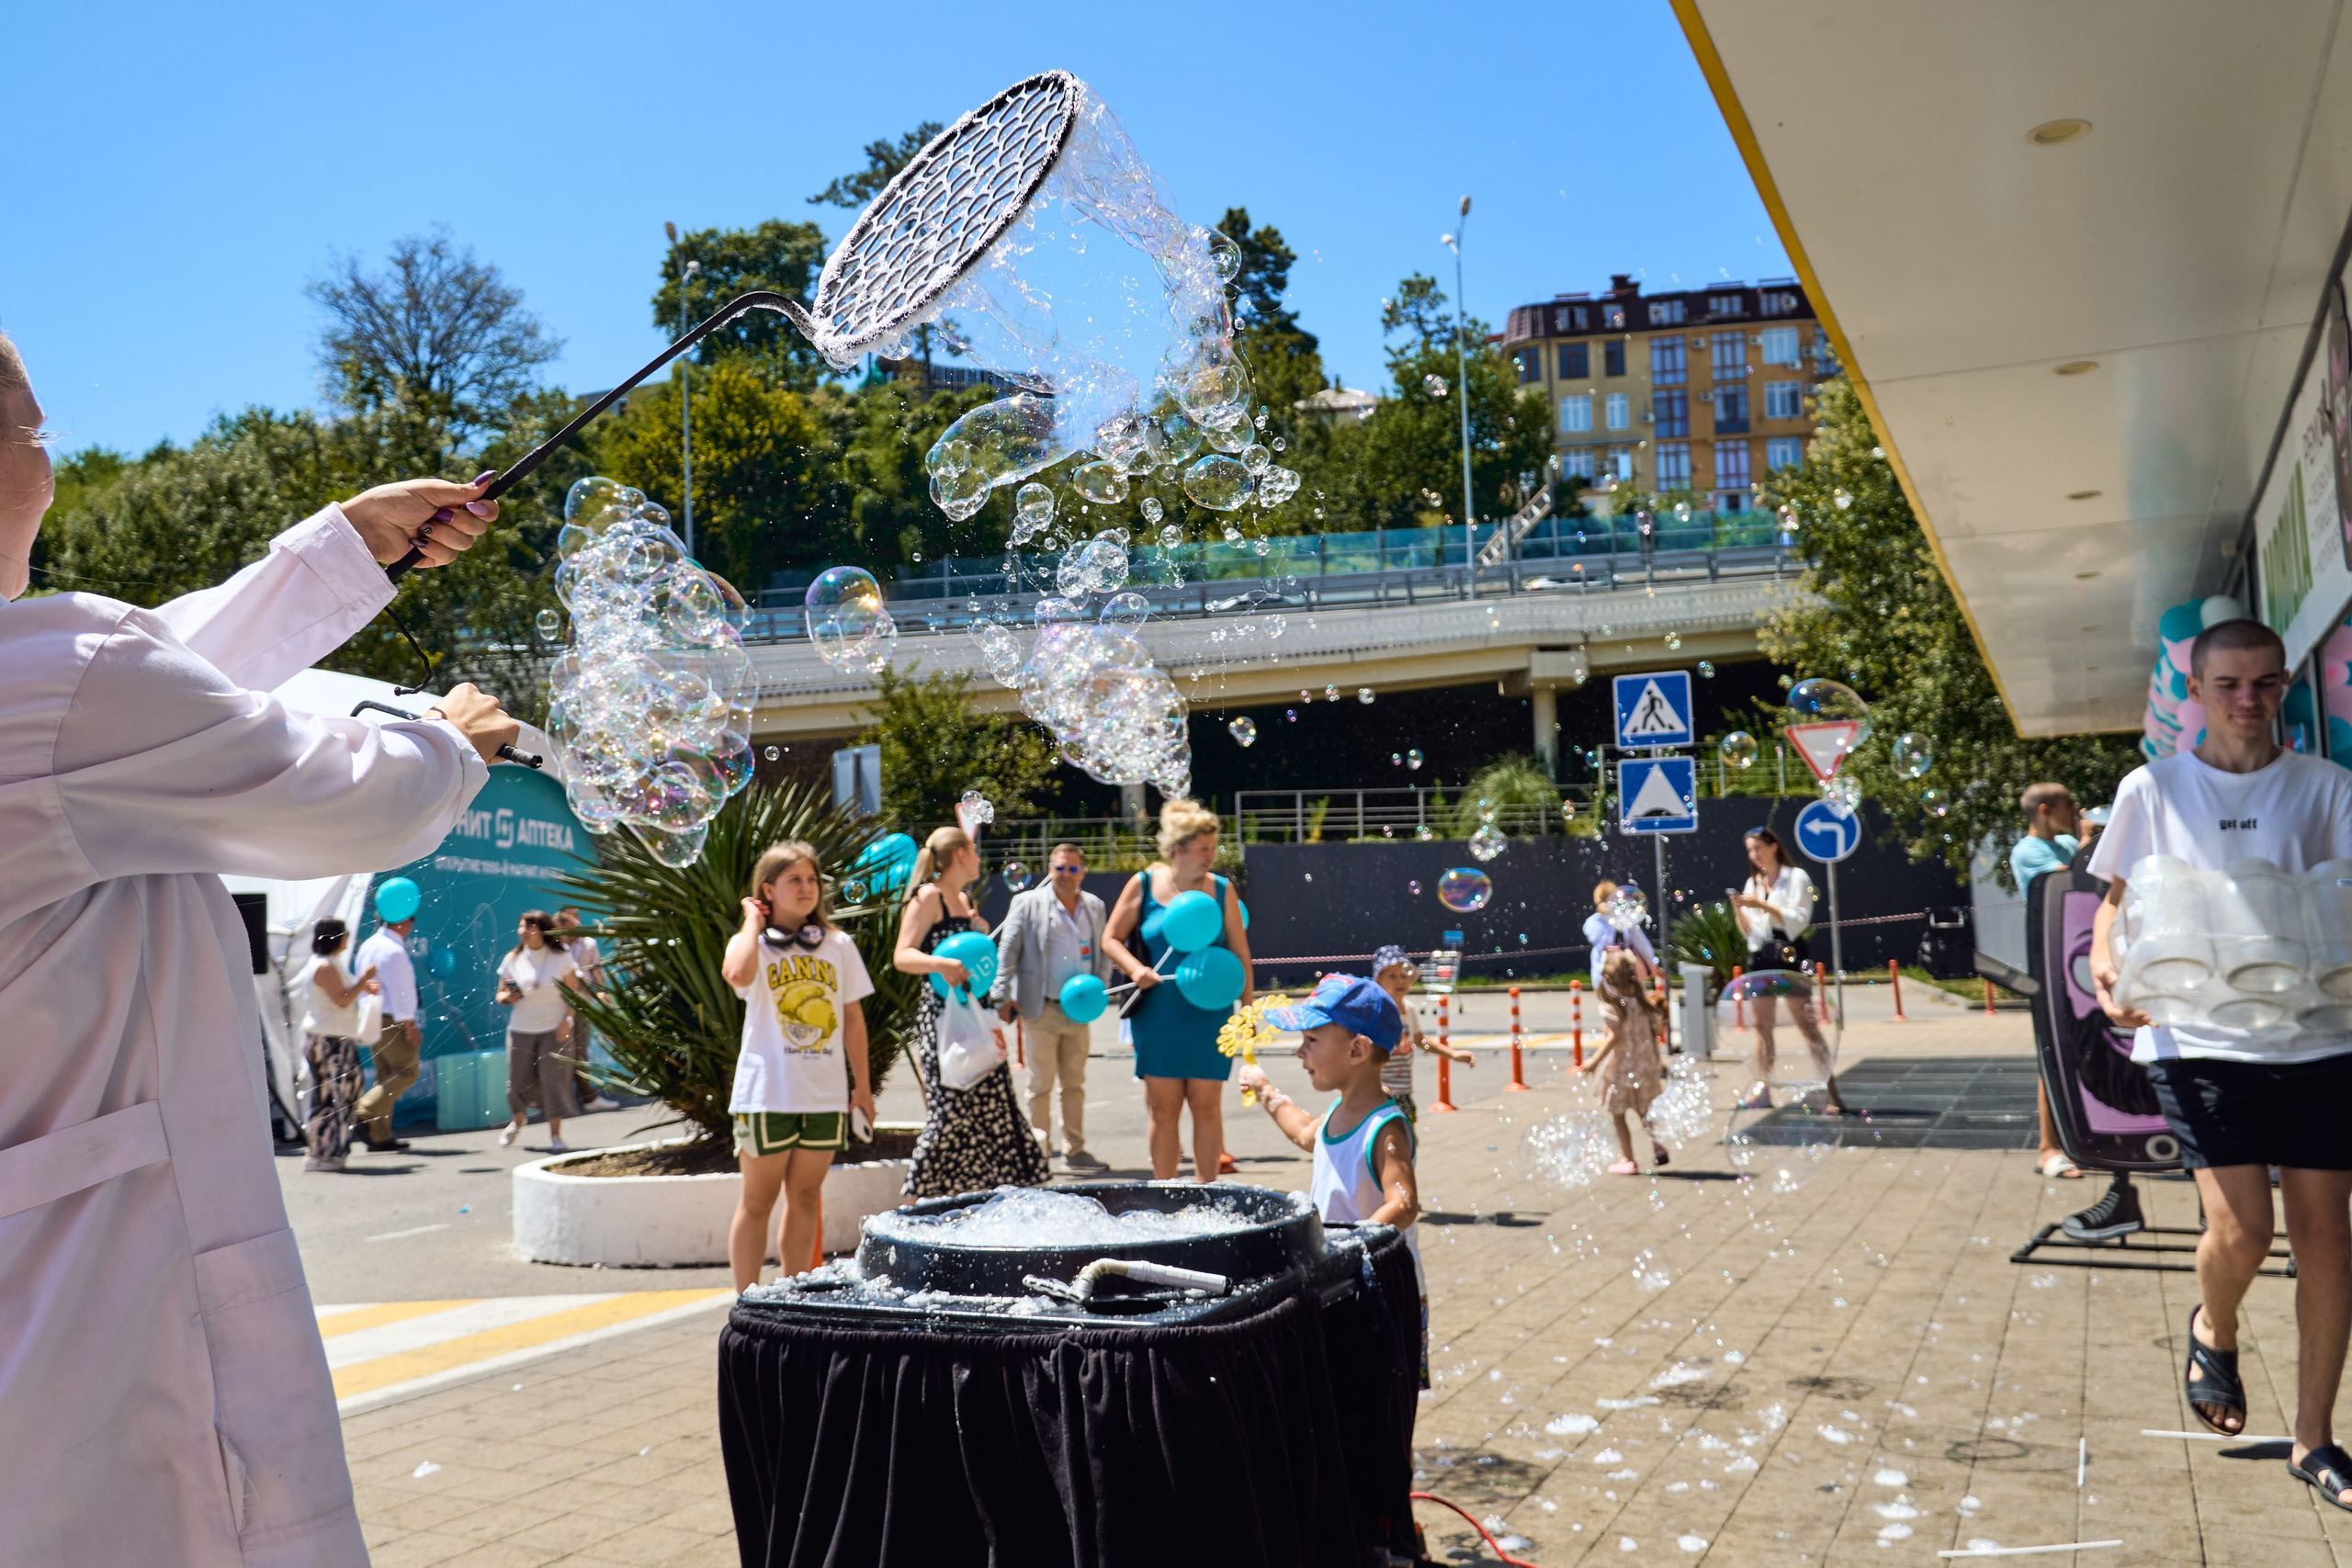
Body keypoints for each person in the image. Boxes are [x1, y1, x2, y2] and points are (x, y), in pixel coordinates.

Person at [0, 327, 513, 1566]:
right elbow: (353, 796)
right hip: (113, 1315)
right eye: (27, 415)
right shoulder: (64, 689)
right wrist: (445, 736)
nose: (49, 442)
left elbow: (143, 697)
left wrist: (338, 550)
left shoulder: (54, 691)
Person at [2089, 618, 2352, 1506]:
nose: (2250, 700)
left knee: (2328, 1239)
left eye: (2267, 683)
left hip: (2321, 1037)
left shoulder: (2328, 790)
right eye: (2230, 685)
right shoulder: (2151, 788)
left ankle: (2314, 1438)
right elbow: (2115, 904)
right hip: (2197, 1036)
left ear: (2286, 686)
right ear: (2195, 692)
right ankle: (2217, 1321)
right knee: (2244, 1230)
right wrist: (2105, 963)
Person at [1235, 974, 1424, 1387]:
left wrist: (1348, 1245)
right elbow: (1306, 1134)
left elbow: (1404, 1202)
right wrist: (1267, 1091)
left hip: (1378, 1287)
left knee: (1382, 1401)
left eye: (1311, 1041)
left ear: (1357, 1050)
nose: (1300, 1051)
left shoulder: (1385, 1126)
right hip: (1340, 1276)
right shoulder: (1340, 1108)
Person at [720, 840, 875, 1291]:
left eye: (812, 879)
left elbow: (851, 1019)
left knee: (806, 1196)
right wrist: (753, 921)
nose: (807, 888)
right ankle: (745, 1300)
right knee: (758, 1200)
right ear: (767, 889)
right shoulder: (752, 945)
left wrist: (861, 1088)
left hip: (823, 1094)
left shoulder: (838, 944)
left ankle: (794, 1296)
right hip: (767, 1093)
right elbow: (737, 976)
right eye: (795, 880)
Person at [1104, 798, 1255, 1182]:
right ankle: (1165, 1196)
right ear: (1177, 849)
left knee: (1207, 1107)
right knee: (1163, 1109)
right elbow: (1110, 939)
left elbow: (1241, 954)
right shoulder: (1142, 884)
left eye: (1213, 846)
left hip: (1211, 1015)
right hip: (1158, 1015)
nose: (1212, 855)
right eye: (1204, 848)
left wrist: (1248, 1011)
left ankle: (1208, 1197)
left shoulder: (1223, 891)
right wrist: (1136, 968)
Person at [897, 826, 1049, 1198]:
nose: (981, 858)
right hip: (944, 1018)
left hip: (976, 1016)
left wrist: (977, 931)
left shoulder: (963, 900)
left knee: (993, 1109)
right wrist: (939, 963)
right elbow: (903, 955)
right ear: (961, 855)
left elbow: (972, 957)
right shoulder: (928, 896)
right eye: (975, 851)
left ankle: (983, 1203)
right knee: (949, 1111)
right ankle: (911, 1208)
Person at [991, 841, 1111, 1171]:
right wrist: (1000, 995)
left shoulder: (1094, 906)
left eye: (1073, 868)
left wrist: (1099, 989)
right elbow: (1008, 949)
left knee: (1074, 1083)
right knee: (1040, 1084)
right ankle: (1039, 1153)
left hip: (1079, 1010)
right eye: (1060, 867)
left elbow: (1103, 952)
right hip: (1040, 1007)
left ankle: (1075, 1151)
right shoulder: (1027, 903)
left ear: (1083, 872)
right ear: (1049, 869)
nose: (1066, 875)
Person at [1729, 826, 1846, 1113]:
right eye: (1750, 850)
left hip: (1789, 955)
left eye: (1758, 848)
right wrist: (1740, 909)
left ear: (1773, 847)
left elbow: (1799, 920)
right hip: (1760, 956)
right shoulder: (1753, 882)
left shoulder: (1797, 878)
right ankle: (1763, 1090)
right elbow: (1749, 932)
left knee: (1807, 1026)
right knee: (1762, 1027)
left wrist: (1763, 906)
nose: (1754, 855)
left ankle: (1831, 1093)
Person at [2011, 783, 2087, 1180]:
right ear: (2045, 809)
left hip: (2082, 954)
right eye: (2069, 803)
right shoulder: (2029, 851)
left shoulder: (2065, 841)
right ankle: (2048, 1149)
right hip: (2051, 956)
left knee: (2086, 1049)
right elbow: (2072, 881)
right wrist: (2088, 844)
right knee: (2053, 1053)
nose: (2075, 811)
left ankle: (2085, 1140)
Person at [495, 910, 582, 1153]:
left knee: (554, 1079)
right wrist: (507, 997)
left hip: (554, 1028)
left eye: (530, 927)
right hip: (521, 1027)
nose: (524, 931)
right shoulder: (512, 959)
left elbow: (573, 994)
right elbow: (500, 993)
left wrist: (567, 1021)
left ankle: (555, 1135)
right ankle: (518, 1119)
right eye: (522, 927)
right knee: (517, 1081)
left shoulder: (560, 956)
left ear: (542, 930)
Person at [1581, 950, 1671, 1175]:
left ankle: (1629, 1161)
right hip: (1646, 1064)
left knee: (1619, 1115)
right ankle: (1658, 1147)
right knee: (1645, 1111)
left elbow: (1615, 1036)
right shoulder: (1642, 1002)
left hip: (1623, 1068)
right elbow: (1657, 1027)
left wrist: (1594, 1060)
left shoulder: (1613, 1007)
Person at [298, 919, 377, 1172]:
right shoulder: (325, 967)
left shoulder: (330, 964)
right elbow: (342, 1000)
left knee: (341, 1094)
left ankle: (329, 1150)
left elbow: (343, 996)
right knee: (332, 1096)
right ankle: (322, 1152)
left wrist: (362, 985)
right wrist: (363, 979)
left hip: (334, 1038)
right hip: (328, 1040)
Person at [1371, 944, 1476, 1122]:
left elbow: (1420, 1040)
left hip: (1403, 1093)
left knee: (1408, 1141)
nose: (1400, 981)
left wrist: (1452, 1054)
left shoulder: (1409, 1009)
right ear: (1378, 980)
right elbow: (1363, 1056)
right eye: (1392, 976)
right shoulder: (1376, 1014)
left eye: (1404, 975)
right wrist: (1374, 1086)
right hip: (1377, 1095)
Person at [354, 889, 424, 1152]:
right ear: (404, 921)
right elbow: (402, 992)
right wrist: (410, 1024)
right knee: (406, 1071)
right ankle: (365, 1111)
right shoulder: (393, 950)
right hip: (392, 1017)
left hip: (372, 1014)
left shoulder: (369, 945)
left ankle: (379, 1135)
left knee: (385, 1074)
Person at [554, 906, 620, 1112]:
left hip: (583, 1007)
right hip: (558, 1007)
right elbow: (573, 978)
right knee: (563, 1053)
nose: (576, 920)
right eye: (570, 916)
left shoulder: (589, 943)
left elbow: (595, 970)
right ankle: (568, 1100)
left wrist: (603, 993)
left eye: (577, 915)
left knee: (579, 1052)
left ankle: (587, 1098)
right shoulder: (555, 946)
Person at [1582, 879, 1657, 984]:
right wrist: (1653, 961)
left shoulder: (1592, 922)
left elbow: (1596, 940)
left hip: (1603, 977)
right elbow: (1643, 946)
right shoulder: (1626, 919)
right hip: (1629, 977)